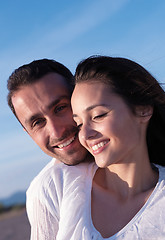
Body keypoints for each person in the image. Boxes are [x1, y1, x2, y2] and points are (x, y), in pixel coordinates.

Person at [70, 56, 165, 239]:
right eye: (79, 124)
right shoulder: (68, 187)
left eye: (98, 116)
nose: (85, 134)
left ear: (143, 109)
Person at [7, 59, 92, 239]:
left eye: (60, 108)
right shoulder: (47, 190)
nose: (56, 131)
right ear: (28, 133)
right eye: (38, 122)